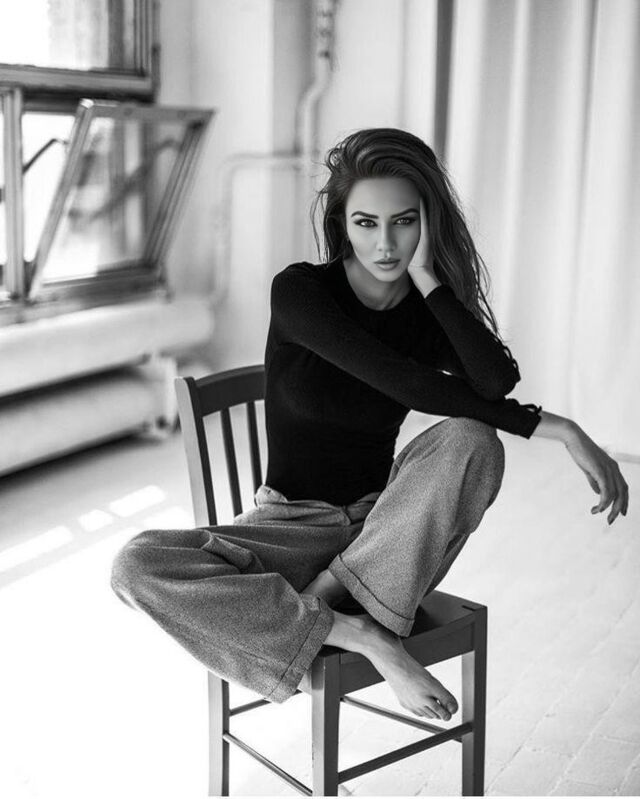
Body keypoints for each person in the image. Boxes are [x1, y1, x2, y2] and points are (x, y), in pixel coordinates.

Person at [110, 128, 629, 722]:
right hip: (292, 528)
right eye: (366, 223)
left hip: (387, 534)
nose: (385, 244)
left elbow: (494, 380)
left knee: (472, 439)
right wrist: (558, 428)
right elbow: (406, 383)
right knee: (136, 564)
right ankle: (361, 634)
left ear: (428, 223)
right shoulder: (301, 292)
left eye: (404, 222)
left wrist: (430, 280)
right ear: (342, 223)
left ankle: (320, 609)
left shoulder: (424, 310)